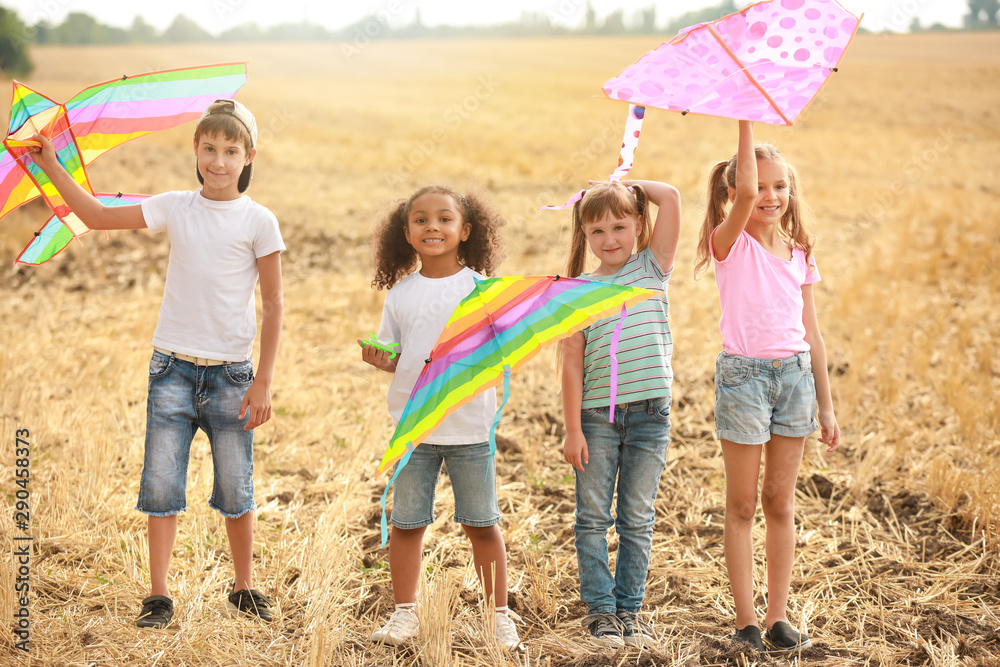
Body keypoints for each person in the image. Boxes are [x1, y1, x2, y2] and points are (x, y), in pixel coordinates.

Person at [28, 99, 284, 629]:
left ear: (249, 155)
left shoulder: (259, 221)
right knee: (161, 485)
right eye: (209, 148)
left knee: (237, 488)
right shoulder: (175, 206)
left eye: (230, 151)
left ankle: (244, 587)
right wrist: (52, 166)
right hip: (171, 370)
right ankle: (159, 595)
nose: (218, 160)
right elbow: (96, 216)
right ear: (195, 150)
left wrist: (263, 381)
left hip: (232, 376)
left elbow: (275, 304)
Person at [695, 120, 840, 653]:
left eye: (783, 186)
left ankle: (779, 620)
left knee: (780, 501)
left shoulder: (800, 252)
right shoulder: (728, 244)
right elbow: (749, 191)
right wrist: (745, 115)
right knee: (741, 505)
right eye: (760, 186)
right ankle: (746, 622)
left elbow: (813, 334)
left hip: (796, 379)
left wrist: (826, 405)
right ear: (732, 194)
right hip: (745, 381)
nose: (771, 196)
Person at [359, 185, 522, 650]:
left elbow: (501, 350)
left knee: (481, 522)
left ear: (465, 230)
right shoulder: (400, 294)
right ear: (406, 233)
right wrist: (381, 358)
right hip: (415, 427)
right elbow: (399, 356)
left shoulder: (481, 291)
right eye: (421, 219)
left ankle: (499, 616)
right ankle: (404, 614)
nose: (433, 226)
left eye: (444, 219)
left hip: (470, 425)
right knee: (407, 523)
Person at [561, 179, 681, 648]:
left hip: (651, 415)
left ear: (638, 225)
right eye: (597, 231)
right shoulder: (578, 290)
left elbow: (669, 196)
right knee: (592, 516)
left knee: (636, 515)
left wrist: (629, 185)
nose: (609, 239)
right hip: (597, 418)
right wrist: (573, 429)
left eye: (619, 226)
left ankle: (630, 610)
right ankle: (602, 612)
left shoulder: (653, 267)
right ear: (584, 235)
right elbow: (571, 362)